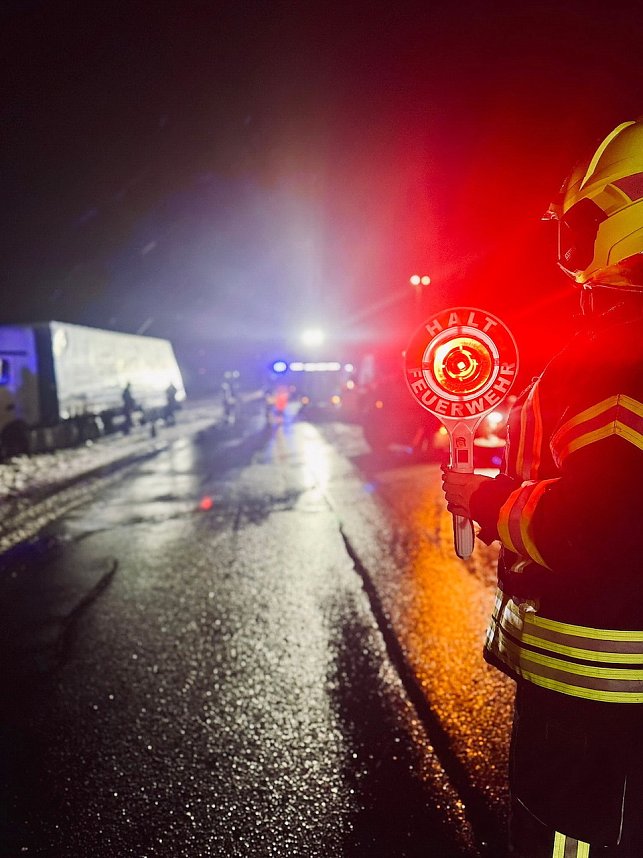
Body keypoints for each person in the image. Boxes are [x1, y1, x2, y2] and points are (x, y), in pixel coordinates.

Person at [442, 119, 643, 857]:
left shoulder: (618, 352)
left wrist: (489, 504)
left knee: (574, 841)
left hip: (602, 685)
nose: (570, 245)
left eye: (583, 221)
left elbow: (608, 525)